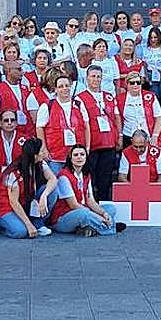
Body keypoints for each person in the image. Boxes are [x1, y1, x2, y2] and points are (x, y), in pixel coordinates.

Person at [50, 144, 123, 236]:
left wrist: (103, 213)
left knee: (111, 209)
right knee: (84, 213)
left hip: (83, 210)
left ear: (86, 157)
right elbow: (74, 205)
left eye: (82, 154)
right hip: (63, 218)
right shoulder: (63, 177)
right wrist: (97, 217)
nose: (79, 157)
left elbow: (90, 201)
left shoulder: (86, 175)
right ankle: (111, 229)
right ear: (70, 158)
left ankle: (87, 228)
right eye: (76, 155)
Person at [0, 138, 57, 239]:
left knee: (52, 190)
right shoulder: (14, 173)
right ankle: (8, 226)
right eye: (41, 151)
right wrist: (28, 224)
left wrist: (44, 196)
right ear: (35, 155)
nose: (44, 152)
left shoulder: (39, 163)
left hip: (26, 202)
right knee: (20, 232)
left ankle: (37, 223)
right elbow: (13, 202)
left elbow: (53, 179)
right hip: (6, 208)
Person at [77, 65, 121, 201]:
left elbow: (117, 117)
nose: (96, 79)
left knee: (105, 177)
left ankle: (104, 203)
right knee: (90, 177)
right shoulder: (80, 98)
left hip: (109, 142)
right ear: (87, 78)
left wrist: (119, 136)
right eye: (93, 76)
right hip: (92, 145)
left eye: (98, 76)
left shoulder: (109, 96)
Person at [35, 74, 89, 176]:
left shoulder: (79, 104)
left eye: (66, 85)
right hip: (55, 156)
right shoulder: (47, 106)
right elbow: (39, 128)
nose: (64, 88)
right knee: (57, 186)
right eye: (60, 86)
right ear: (55, 89)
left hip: (76, 156)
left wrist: (87, 147)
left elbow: (86, 126)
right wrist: (44, 149)